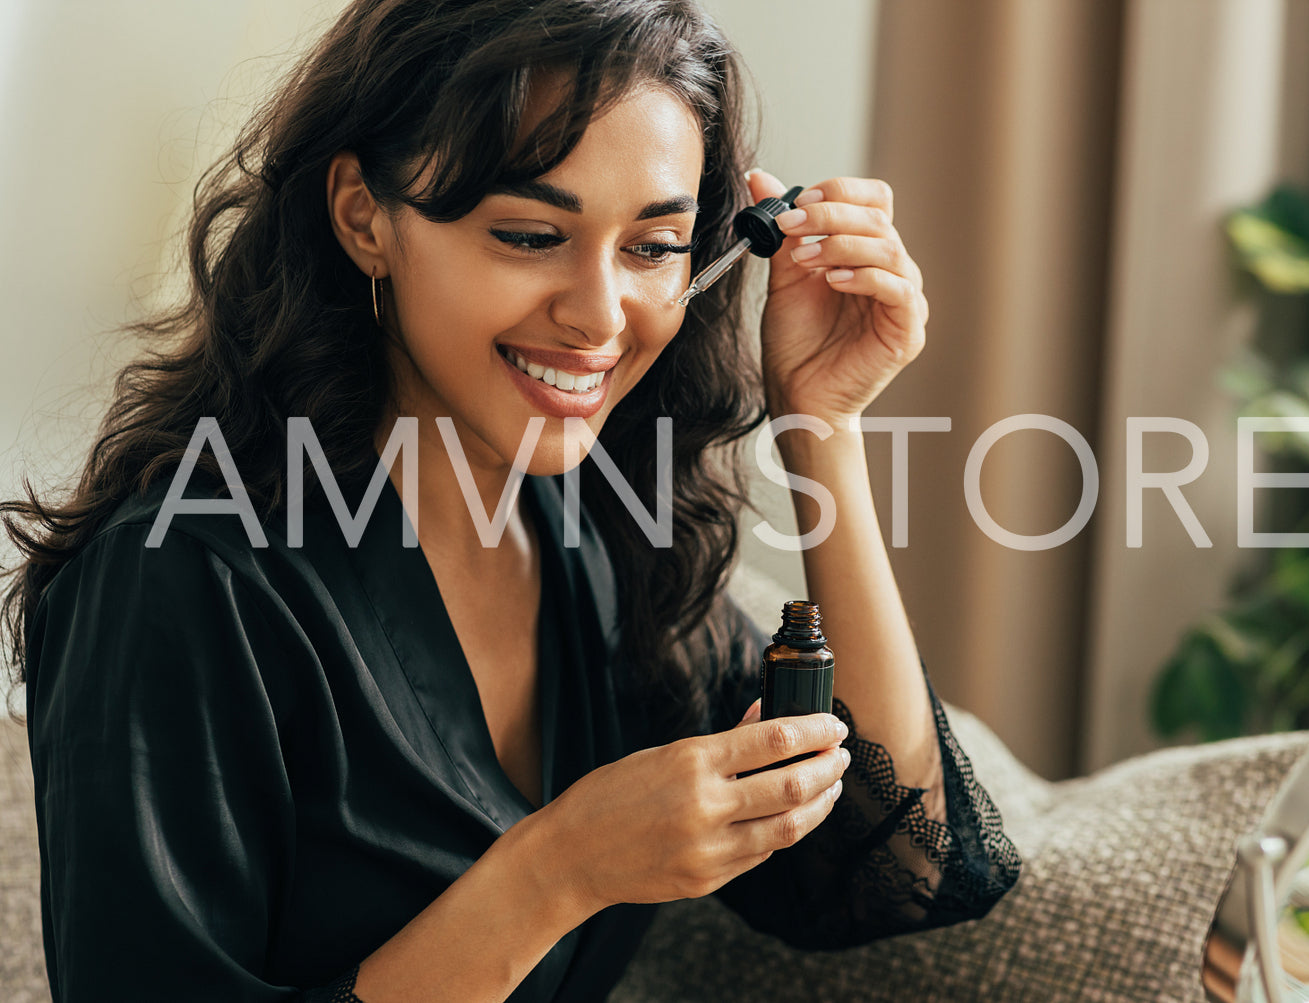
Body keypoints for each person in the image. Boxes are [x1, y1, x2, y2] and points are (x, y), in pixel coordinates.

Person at [2, 1, 1021, 1000]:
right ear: (364, 215)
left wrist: (823, 425)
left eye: (653, 247)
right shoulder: (179, 580)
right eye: (532, 235)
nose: (597, 314)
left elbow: (901, 876)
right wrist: (556, 870)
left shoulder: (604, 540)